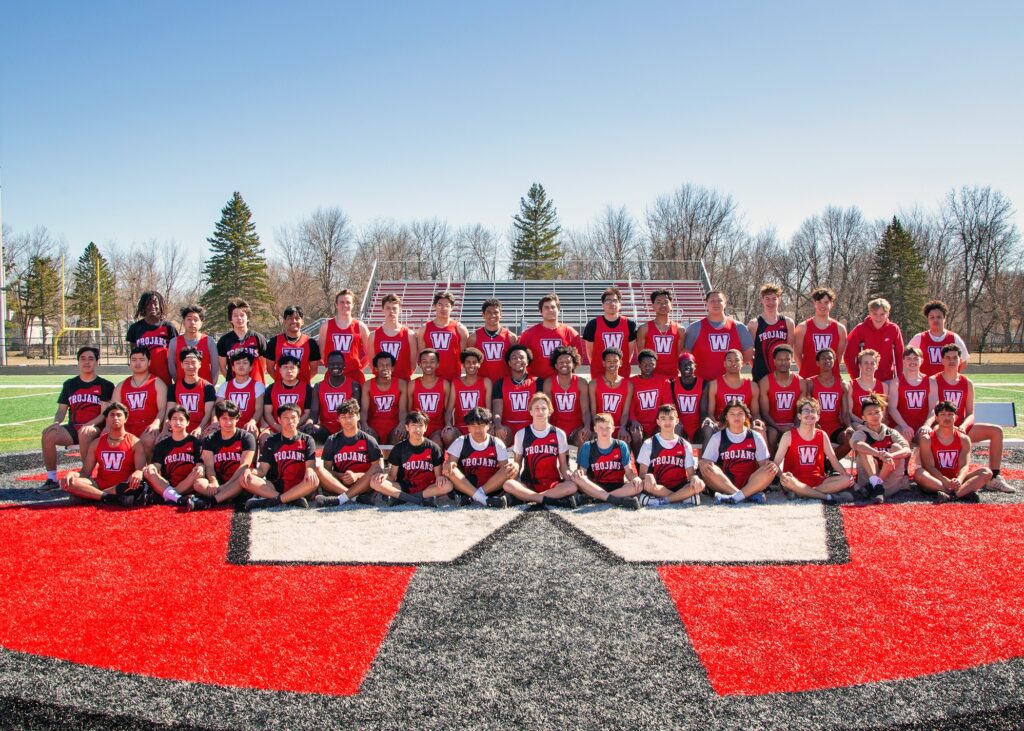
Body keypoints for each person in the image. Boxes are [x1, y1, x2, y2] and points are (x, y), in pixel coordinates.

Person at [925, 344, 1014, 492]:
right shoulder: (934, 380)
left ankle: (995, 477)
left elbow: (971, 413)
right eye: (948, 358)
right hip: (942, 428)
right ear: (942, 360)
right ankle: (940, 480)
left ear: (960, 360)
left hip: (961, 428)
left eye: (955, 358)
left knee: (996, 431)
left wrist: (963, 427)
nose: (952, 361)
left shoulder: (967, 383)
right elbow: (933, 409)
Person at [38, 346, 114, 492]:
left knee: (85, 433)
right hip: (73, 427)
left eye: (91, 359)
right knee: (48, 435)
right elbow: (61, 411)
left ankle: (87, 477)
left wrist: (88, 424)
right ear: (78, 362)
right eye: (83, 359)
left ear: (97, 362)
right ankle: (51, 478)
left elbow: (103, 414)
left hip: (96, 428)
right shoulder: (69, 384)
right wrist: (56, 423)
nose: (87, 362)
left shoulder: (105, 385)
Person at [59, 402, 146, 506]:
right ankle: (108, 497)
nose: (115, 418)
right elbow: (85, 472)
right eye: (112, 415)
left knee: (137, 485)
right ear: (107, 419)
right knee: (70, 483)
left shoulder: (135, 442)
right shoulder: (96, 443)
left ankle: (94, 496)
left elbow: (140, 471)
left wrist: (139, 472)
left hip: (123, 486)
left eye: (119, 415)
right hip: (100, 484)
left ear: (125, 419)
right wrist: (71, 474)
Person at [502, 394, 578, 508]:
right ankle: (549, 499)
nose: (540, 412)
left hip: (553, 483)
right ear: (531, 411)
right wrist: (513, 473)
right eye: (536, 408)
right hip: (528, 483)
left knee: (572, 486)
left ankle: (528, 498)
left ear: (550, 411)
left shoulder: (559, 434)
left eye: (544, 408)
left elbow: (563, 466)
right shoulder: (521, 434)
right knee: (508, 484)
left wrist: (572, 480)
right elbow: (518, 463)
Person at [775, 397, 855, 501]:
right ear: (799, 416)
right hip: (794, 480)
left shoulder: (822, 435)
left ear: (818, 417)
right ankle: (827, 496)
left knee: (847, 480)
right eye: (806, 411)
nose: (809, 414)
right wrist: (782, 476)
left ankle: (804, 493)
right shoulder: (788, 436)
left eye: (813, 411)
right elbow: (776, 464)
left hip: (818, 481)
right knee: (787, 480)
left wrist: (847, 476)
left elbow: (833, 460)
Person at [240, 404, 318, 510]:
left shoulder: (307, 439)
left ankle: (271, 501)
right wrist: (249, 472)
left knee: (314, 480)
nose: (290, 421)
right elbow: (262, 470)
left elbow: (310, 466)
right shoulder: (271, 441)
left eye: (293, 417)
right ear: (279, 420)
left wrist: (310, 470)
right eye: (286, 418)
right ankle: (290, 500)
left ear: (299, 419)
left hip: (300, 486)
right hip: (276, 487)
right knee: (247, 479)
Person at [698, 400, 776, 504]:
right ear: (726, 417)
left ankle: (735, 497)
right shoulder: (718, 437)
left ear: (746, 416)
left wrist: (770, 468)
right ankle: (742, 495)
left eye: (740, 413)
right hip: (724, 482)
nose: (736, 417)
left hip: (750, 482)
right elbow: (706, 463)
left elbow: (764, 465)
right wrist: (702, 463)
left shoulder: (755, 436)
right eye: (732, 414)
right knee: (707, 468)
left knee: (770, 469)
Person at [184, 399, 257, 511]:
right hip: (219, 482)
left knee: (244, 479)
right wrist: (213, 481)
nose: (228, 423)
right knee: (198, 483)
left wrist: (225, 486)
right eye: (224, 418)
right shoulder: (209, 439)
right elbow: (209, 466)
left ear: (237, 419)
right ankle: (225, 497)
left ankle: (210, 501)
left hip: (238, 482)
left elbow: (244, 466)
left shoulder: (247, 438)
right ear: (218, 419)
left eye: (232, 419)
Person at [916, 401, 992, 503]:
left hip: (956, 479)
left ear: (955, 417)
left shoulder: (964, 439)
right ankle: (960, 492)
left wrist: (959, 480)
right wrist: (945, 481)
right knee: (919, 473)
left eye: (950, 414)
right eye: (942, 414)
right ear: (937, 418)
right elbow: (929, 466)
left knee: (987, 472)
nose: (946, 418)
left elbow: (964, 466)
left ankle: (952, 496)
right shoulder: (927, 439)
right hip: (936, 480)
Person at [370, 411, 451, 506]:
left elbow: (438, 477)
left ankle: (401, 498)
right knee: (374, 482)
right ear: (407, 427)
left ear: (425, 428)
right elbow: (392, 476)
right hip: (403, 487)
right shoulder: (399, 448)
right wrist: (383, 476)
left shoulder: (434, 448)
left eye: (420, 426)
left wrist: (441, 478)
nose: (417, 429)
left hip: (427, 488)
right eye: (413, 425)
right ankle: (418, 501)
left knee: (448, 486)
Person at [315, 398, 385, 507]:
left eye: (351, 416)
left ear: (358, 416)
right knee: (319, 469)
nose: (347, 420)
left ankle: (341, 499)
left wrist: (356, 476)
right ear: (338, 419)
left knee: (376, 469)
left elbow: (378, 470)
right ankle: (354, 498)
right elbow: (327, 470)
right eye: (343, 417)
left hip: (363, 484)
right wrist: (341, 475)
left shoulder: (368, 440)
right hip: (340, 483)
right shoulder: (332, 440)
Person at [443, 406, 516, 508]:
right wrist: (451, 463)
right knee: (450, 469)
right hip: (465, 487)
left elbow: (504, 471)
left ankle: (475, 496)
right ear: (468, 427)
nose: (477, 430)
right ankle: (483, 499)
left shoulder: (497, 443)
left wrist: (512, 467)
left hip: (491, 488)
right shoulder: (461, 441)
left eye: (481, 425)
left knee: (509, 469)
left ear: (488, 426)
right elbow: (450, 465)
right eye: (473, 426)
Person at [637, 405, 705, 506]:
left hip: (680, 486)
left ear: (677, 421)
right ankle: (683, 498)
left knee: (700, 484)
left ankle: (661, 501)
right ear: (658, 422)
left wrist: (694, 478)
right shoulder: (649, 443)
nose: (667, 422)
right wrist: (648, 476)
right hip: (658, 486)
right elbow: (642, 474)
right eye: (663, 418)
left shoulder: (685, 444)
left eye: (671, 418)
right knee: (644, 484)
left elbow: (690, 474)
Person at [571, 413, 643, 508]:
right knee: (578, 478)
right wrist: (579, 473)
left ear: (613, 429)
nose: (604, 431)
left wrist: (635, 478)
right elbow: (582, 473)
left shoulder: (621, 445)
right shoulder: (587, 446)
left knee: (639, 485)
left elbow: (629, 473)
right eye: (601, 428)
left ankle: (598, 499)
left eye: (607, 428)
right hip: (594, 486)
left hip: (617, 487)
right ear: (595, 429)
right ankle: (615, 500)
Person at [849, 394, 912, 503]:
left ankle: (875, 485)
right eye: (870, 414)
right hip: (868, 477)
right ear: (863, 418)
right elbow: (856, 444)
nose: (874, 416)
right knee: (863, 449)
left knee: (897, 448)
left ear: (882, 413)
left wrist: (891, 455)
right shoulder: (861, 432)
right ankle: (875, 484)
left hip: (889, 482)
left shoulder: (891, 432)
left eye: (877, 412)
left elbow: (907, 450)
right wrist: (878, 453)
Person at [684, 290, 754, 382]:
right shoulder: (694, 328)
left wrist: (733, 369)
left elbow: (748, 355)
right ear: (706, 304)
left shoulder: (739, 327)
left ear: (725, 303)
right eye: (712, 300)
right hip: (702, 384)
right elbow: (686, 355)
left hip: (730, 384)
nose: (716, 303)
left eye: (719, 300)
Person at [112, 346, 166, 459]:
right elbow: (113, 410)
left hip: (149, 427)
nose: (137, 363)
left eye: (142, 360)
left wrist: (156, 424)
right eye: (134, 360)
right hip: (127, 426)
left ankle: (146, 473)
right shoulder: (121, 386)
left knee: (148, 441)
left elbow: (163, 409)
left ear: (149, 362)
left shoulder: (157, 383)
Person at [143, 405, 203, 507]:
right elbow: (156, 466)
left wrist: (200, 467)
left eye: (181, 419)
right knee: (148, 471)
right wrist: (151, 467)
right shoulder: (162, 444)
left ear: (188, 422)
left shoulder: (195, 442)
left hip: (189, 484)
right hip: (168, 484)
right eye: (174, 419)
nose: (178, 422)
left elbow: (199, 465)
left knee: (200, 470)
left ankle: (170, 496)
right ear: (169, 422)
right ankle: (178, 498)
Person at [518, 293, 582, 379]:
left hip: (562, 382)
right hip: (537, 382)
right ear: (541, 311)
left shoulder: (571, 333)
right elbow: (521, 359)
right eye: (546, 307)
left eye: (553, 307)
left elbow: (578, 359)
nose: (550, 310)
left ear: (558, 310)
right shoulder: (528, 334)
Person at [703, 349, 764, 437]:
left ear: (742, 363)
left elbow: (755, 414)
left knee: (760, 430)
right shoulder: (714, 385)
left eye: (737, 360)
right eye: (729, 360)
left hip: (745, 426)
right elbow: (710, 414)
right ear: (724, 363)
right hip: (722, 426)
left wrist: (756, 421)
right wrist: (718, 424)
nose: (733, 363)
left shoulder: (753, 386)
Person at [802, 347, 851, 457]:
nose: (827, 361)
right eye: (823, 358)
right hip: (816, 425)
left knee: (850, 439)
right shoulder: (810, 383)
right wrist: (813, 424)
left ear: (834, 361)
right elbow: (807, 408)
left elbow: (845, 413)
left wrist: (849, 426)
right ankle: (823, 466)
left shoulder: (842, 384)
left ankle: (829, 466)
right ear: (817, 363)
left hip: (835, 427)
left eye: (830, 358)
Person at [305, 350, 361, 443]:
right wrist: (309, 423)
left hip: (346, 426)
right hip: (325, 428)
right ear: (327, 365)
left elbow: (356, 411)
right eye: (332, 364)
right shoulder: (319, 386)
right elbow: (314, 413)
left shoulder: (353, 385)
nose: (335, 366)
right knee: (309, 430)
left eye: (339, 364)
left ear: (344, 365)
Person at [318, 288, 371, 384]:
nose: (345, 305)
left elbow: (370, 354)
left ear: (353, 305)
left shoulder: (361, 327)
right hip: (332, 376)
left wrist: (358, 366)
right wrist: (332, 367)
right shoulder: (326, 327)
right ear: (336, 305)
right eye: (342, 302)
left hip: (355, 376)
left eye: (348, 302)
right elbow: (321, 354)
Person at [543, 345, 592, 447]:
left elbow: (586, 411)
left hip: (576, 428)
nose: (564, 364)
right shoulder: (549, 383)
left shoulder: (581, 383)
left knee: (584, 436)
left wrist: (587, 426)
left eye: (568, 362)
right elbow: (547, 411)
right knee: (547, 440)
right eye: (561, 362)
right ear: (556, 365)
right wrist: (545, 429)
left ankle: (581, 463)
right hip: (556, 428)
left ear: (574, 364)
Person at [844, 298, 904, 381]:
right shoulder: (860, 329)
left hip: (887, 378)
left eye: (882, 314)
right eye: (875, 314)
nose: (878, 317)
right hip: (865, 379)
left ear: (887, 314)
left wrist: (899, 378)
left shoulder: (893, 329)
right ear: (870, 313)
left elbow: (899, 355)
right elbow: (849, 356)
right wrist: (855, 377)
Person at [583, 286, 636, 379]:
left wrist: (619, 364)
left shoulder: (629, 324)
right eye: (608, 300)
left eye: (615, 300)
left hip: (622, 372)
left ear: (620, 304)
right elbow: (590, 353)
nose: (612, 303)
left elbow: (630, 353)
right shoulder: (593, 324)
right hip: (599, 372)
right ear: (602, 305)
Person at [793, 287, 847, 380]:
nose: (823, 306)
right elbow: (797, 356)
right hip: (808, 379)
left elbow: (838, 358)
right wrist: (806, 373)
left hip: (831, 380)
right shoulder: (802, 327)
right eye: (819, 302)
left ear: (832, 304)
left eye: (826, 302)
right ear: (814, 303)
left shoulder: (840, 329)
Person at [758, 344, 803, 454]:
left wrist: (796, 425)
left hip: (792, 424)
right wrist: (777, 427)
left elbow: (800, 410)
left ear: (791, 360)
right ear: (774, 361)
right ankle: (773, 466)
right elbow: (764, 413)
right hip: (772, 424)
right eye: (780, 359)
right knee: (772, 434)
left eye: (787, 359)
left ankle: (794, 467)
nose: (783, 362)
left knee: (798, 433)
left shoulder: (801, 382)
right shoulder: (765, 382)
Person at [416, 291, 469, 382]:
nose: (443, 308)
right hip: (431, 379)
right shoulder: (424, 329)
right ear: (434, 306)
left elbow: (464, 358)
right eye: (440, 305)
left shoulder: (460, 329)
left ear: (451, 308)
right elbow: (421, 357)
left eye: (447, 305)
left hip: (454, 378)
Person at [126, 291, 178, 386]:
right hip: (143, 380)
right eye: (149, 303)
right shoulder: (135, 328)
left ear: (160, 304)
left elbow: (176, 354)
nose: (152, 306)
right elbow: (134, 355)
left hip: (165, 379)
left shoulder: (168, 327)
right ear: (143, 306)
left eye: (155, 303)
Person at [491, 344, 539, 445]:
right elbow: (497, 411)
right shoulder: (500, 383)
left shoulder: (537, 382)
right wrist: (498, 425)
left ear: (527, 361)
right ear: (509, 362)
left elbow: (542, 408)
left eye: (522, 357)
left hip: (531, 426)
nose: (518, 360)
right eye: (514, 358)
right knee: (500, 433)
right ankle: (503, 460)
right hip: (508, 428)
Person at [747, 283, 795, 384]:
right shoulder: (754, 324)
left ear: (779, 300)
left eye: (774, 299)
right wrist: (758, 366)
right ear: (762, 300)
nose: (770, 302)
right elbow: (750, 354)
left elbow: (789, 351)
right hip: (761, 373)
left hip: (781, 373)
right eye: (767, 298)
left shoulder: (788, 323)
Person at [628, 349, 674, 452]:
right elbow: (629, 406)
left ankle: (656, 464)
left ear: (655, 364)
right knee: (636, 433)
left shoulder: (663, 381)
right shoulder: (631, 382)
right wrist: (633, 420)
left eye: (651, 364)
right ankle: (639, 464)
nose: (648, 367)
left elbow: (668, 405)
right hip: (639, 423)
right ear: (639, 365)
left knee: (664, 431)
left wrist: (661, 421)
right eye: (645, 364)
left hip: (656, 423)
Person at [908, 300, 969, 377]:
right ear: (928, 319)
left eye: (939, 317)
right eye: (932, 317)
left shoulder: (954, 338)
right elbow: (906, 360)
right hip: (926, 384)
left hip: (947, 385)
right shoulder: (919, 338)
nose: (935, 320)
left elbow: (964, 361)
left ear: (944, 318)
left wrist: (952, 376)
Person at [165, 346, 217, 438]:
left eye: (193, 362)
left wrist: (200, 428)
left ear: (200, 364)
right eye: (186, 363)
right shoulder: (174, 387)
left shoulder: (207, 387)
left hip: (201, 427)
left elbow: (208, 413)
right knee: (162, 440)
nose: (190, 366)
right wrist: (165, 430)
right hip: (179, 427)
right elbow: (169, 412)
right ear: (181, 365)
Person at [445, 348, 492, 447]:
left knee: (492, 432)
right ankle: (453, 460)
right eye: (468, 362)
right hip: (461, 426)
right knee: (448, 434)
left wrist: (489, 424)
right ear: (463, 365)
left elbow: (488, 410)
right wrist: (448, 424)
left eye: (475, 362)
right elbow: (449, 410)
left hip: (480, 425)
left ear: (479, 364)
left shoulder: (486, 382)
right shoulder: (455, 382)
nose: (471, 365)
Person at [264, 305, 320, 385]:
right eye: (290, 318)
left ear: (302, 322)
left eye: (297, 318)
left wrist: (301, 383)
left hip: (303, 389)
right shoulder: (274, 342)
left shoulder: (310, 342)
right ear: (285, 321)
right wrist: (284, 382)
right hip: (281, 390)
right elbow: (270, 368)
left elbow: (314, 369)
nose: (293, 321)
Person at [361, 351, 408, 445]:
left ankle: (393, 460)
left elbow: (403, 410)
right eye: (381, 365)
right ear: (375, 368)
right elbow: (364, 410)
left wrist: (402, 424)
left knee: (398, 436)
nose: (385, 368)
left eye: (388, 365)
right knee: (369, 439)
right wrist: (364, 425)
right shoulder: (367, 385)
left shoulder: (401, 384)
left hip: (394, 426)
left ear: (393, 368)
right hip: (373, 426)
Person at [216, 299, 268, 384]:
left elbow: (264, 365)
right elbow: (222, 367)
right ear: (230, 319)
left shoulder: (258, 338)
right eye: (235, 315)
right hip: (234, 387)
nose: (239, 318)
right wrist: (234, 381)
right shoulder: (224, 340)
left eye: (242, 315)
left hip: (256, 386)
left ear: (248, 318)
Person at [888, 346, 931, 446]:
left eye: (916, 358)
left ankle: (925, 462)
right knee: (903, 439)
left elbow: (934, 408)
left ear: (922, 361)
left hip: (922, 425)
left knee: (927, 438)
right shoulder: (896, 383)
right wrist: (904, 426)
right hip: (901, 424)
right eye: (908, 358)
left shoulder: (931, 382)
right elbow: (892, 408)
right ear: (903, 361)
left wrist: (927, 425)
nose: (912, 361)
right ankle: (905, 462)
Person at [636, 289, 684, 379]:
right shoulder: (644, 329)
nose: (663, 305)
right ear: (653, 306)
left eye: (666, 302)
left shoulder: (680, 329)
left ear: (671, 305)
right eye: (658, 302)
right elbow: (641, 356)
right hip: (651, 376)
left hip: (672, 377)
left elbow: (678, 355)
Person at [589, 347, 633, 442]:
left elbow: (625, 413)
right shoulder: (593, 384)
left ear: (620, 363)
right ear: (604, 363)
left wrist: (622, 428)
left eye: (615, 361)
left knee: (626, 440)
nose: (612, 364)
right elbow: (593, 411)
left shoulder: (628, 385)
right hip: (601, 428)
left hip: (618, 427)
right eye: (609, 361)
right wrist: (597, 428)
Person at [215, 351, 264, 436]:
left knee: (251, 431)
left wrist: (252, 422)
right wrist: (215, 422)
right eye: (238, 363)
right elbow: (217, 407)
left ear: (251, 367)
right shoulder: (225, 385)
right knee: (211, 432)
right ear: (233, 368)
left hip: (247, 425)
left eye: (245, 363)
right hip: (227, 424)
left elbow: (259, 409)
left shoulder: (258, 386)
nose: (241, 365)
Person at [262, 354, 313, 437]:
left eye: (292, 368)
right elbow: (267, 413)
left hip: (299, 427)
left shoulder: (307, 389)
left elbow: (307, 413)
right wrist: (278, 427)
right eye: (285, 367)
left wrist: (293, 426)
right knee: (264, 437)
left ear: (298, 370)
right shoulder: (271, 388)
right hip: (276, 427)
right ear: (279, 370)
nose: (289, 371)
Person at [372, 293, 418, 382]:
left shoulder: (409, 335)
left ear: (400, 310)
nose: (391, 311)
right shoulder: (373, 335)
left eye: (394, 308)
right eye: (388, 308)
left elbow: (413, 365)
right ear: (382, 310)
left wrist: (401, 381)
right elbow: (372, 363)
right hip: (382, 384)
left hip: (404, 383)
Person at [168, 305, 218, 384]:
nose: (192, 322)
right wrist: (179, 385)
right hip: (182, 391)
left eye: (196, 319)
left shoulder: (209, 341)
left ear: (201, 323)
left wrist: (210, 387)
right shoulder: (174, 342)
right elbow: (172, 368)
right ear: (184, 322)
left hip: (205, 390)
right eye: (189, 319)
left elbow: (215, 368)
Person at [409, 348, 450, 444]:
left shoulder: (445, 384)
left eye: (432, 362)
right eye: (424, 361)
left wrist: (448, 424)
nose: (428, 365)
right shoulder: (412, 384)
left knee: (436, 442)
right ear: (419, 364)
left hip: (437, 427)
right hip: (417, 426)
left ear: (437, 364)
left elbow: (448, 410)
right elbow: (408, 410)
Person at [473, 298, 518, 384]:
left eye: (496, 312)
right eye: (489, 312)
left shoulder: (511, 337)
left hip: (505, 384)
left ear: (501, 314)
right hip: (482, 383)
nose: (492, 315)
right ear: (483, 315)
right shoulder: (473, 338)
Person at [670, 352, 708, 446]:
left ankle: (705, 459)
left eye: (690, 363)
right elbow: (672, 408)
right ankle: (677, 457)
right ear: (678, 367)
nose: (687, 366)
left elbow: (703, 412)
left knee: (708, 427)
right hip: (680, 424)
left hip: (697, 425)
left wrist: (704, 423)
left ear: (695, 366)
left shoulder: (703, 384)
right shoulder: (672, 384)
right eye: (683, 364)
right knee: (674, 427)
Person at [846, 349, 888, 430]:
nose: (869, 366)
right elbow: (849, 412)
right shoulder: (851, 385)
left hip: (877, 424)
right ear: (860, 365)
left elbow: (884, 413)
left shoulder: (884, 386)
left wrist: (876, 424)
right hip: (858, 424)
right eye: (866, 363)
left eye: (872, 363)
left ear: (877, 366)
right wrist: (864, 423)